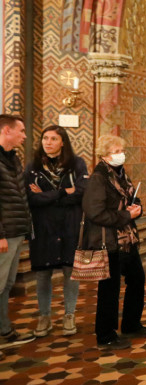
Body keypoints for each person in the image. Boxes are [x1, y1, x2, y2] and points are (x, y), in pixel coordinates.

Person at [82, 134, 146, 351]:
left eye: (121, 150)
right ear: (104, 155)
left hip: (127, 239)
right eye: (115, 151)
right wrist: (126, 216)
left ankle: (131, 324)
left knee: (137, 279)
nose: (120, 154)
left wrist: (136, 208)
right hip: (110, 240)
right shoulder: (99, 178)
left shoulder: (120, 173)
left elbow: (130, 197)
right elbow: (95, 212)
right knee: (109, 289)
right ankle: (105, 335)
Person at [26, 126, 88, 338]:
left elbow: (81, 192)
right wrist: (62, 193)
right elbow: (31, 198)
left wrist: (47, 195)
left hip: (70, 225)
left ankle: (69, 314)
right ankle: (44, 316)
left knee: (70, 271)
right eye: (45, 138)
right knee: (43, 273)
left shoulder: (77, 164)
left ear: (63, 142)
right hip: (44, 227)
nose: (48, 142)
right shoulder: (34, 167)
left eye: (53, 138)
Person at [0, 114, 36, 356]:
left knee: (6, 285)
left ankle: (4, 330)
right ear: (6, 130)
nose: (24, 135)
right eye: (21, 131)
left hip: (15, 231)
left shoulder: (12, 158)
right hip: (4, 234)